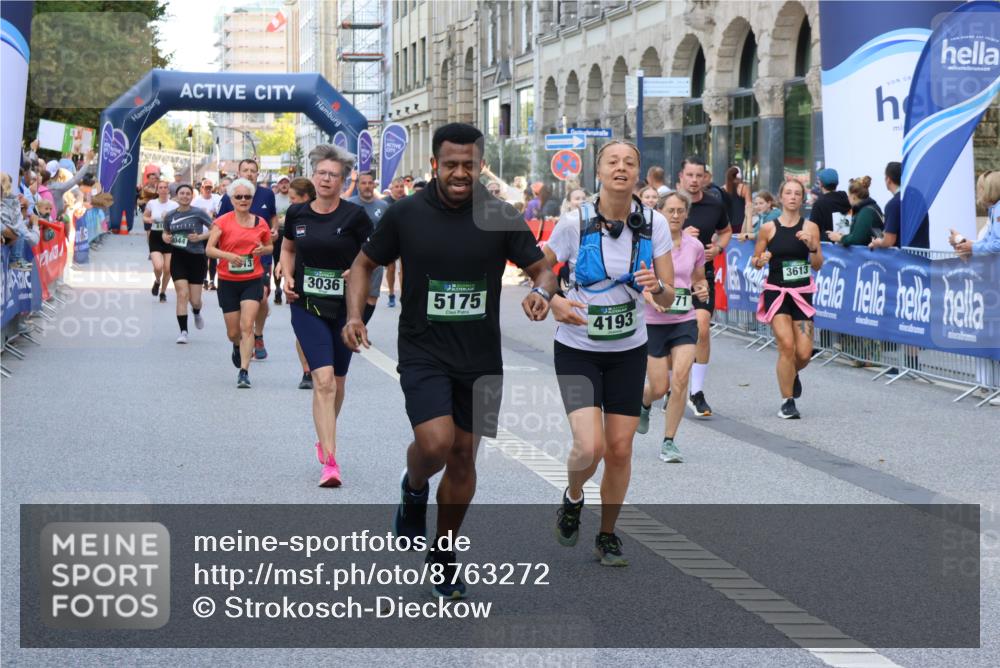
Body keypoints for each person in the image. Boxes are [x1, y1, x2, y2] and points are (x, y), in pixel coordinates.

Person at [341, 122, 557, 598]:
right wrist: (355, 315)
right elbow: (362, 265)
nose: (461, 173)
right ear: (435, 164)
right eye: (452, 164)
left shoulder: (501, 214)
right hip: (424, 350)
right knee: (436, 444)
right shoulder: (406, 213)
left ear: (481, 165)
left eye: (470, 165)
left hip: (481, 359)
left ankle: (443, 552)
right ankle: (414, 484)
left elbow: (542, 268)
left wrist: (542, 291)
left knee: (464, 458)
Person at [543, 140, 675, 567]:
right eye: (613, 162)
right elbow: (539, 270)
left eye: (630, 162)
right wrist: (552, 299)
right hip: (578, 348)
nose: (621, 168)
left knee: (619, 449)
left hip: (628, 349)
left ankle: (607, 535)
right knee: (589, 446)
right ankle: (574, 495)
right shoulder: (573, 222)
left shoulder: (653, 224)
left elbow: (670, 296)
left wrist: (657, 287)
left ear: (638, 173)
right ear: (598, 171)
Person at [280, 145, 372, 487]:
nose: (326, 179)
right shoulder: (297, 214)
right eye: (321, 173)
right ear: (314, 175)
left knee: (339, 383)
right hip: (306, 305)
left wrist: (357, 270)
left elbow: (373, 254)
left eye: (333, 175)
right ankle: (331, 462)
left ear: (343, 181)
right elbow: (288, 249)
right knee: (323, 380)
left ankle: (324, 434)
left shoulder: (354, 217)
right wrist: (287, 276)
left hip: (346, 310)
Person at [637, 191, 709, 462]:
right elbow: (640, 281)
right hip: (653, 323)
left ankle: (669, 441)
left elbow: (699, 280)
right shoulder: (647, 244)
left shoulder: (695, 246)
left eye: (681, 211)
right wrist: (651, 299)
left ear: (686, 214)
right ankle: (644, 403)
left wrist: (702, 291)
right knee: (658, 387)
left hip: (684, 320)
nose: (676, 216)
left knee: (679, 380)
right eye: (671, 211)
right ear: (660, 212)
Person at [752, 179, 823, 418]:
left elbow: (818, 265)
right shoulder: (768, 228)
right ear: (781, 197)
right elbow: (756, 259)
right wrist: (761, 260)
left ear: (802, 199)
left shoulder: (811, 227)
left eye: (797, 194)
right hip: (777, 292)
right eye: (788, 193)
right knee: (787, 345)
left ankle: (791, 373)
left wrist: (812, 247)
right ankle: (787, 402)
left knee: (804, 353)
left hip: (802, 294)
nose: (792, 197)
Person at [206, 178, 273, 388]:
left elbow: (270, 246)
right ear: (231, 199)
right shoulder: (222, 221)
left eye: (247, 197)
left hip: (252, 279)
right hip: (228, 281)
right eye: (239, 197)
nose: (243, 200)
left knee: (247, 326)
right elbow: (209, 249)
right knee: (233, 332)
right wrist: (228, 256)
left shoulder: (260, 222)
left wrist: (264, 250)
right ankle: (237, 346)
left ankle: (244, 371)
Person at [678, 156, 731, 417]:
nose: (694, 180)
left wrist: (718, 248)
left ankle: (696, 392)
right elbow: (651, 236)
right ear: (681, 177)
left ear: (705, 178)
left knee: (702, 328)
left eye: (699, 175)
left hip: (702, 276)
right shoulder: (670, 206)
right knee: (670, 335)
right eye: (690, 175)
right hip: (672, 278)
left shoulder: (714, 204)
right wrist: (679, 236)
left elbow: (727, 230)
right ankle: (671, 388)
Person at [218, 159, 278, 360]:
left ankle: (257, 334)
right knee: (236, 327)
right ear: (239, 172)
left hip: (260, 255)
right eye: (246, 170)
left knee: (262, 297)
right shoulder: (230, 196)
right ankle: (244, 337)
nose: (250, 173)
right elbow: (218, 226)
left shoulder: (267, 194)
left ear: (258, 174)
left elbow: (272, 217)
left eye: (253, 171)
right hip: (234, 260)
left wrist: (274, 230)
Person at [162, 184, 212, 344]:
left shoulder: (198, 213)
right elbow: (165, 232)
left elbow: (215, 229)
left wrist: (200, 237)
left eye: (188, 194)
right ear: (176, 196)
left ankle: (196, 312)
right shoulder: (170, 215)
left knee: (195, 300)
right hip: (178, 258)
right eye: (182, 193)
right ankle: (183, 331)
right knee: (182, 294)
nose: (184, 196)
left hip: (197, 258)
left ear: (192, 196)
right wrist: (166, 237)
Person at [347, 170, 389, 325]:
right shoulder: (350, 204)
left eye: (370, 183)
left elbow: (388, 232)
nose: (367, 186)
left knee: (372, 296)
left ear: (374, 185)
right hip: (352, 258)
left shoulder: (383, 206)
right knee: (353, 293)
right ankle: (351, 324)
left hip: (374, 259)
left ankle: (360, 326)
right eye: (363, 183)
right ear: (358, 185)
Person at [870, 161, 930, 250]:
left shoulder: (893, 204)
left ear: (888, 179)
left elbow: (889, 241)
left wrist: (877, 242)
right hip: (922, 258)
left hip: (904, 259)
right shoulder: (918, 196)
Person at [143, 180, 178, 303]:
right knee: (158, 266)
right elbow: (145, 217)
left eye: (165, 187)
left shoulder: (174, 205)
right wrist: (150, 220)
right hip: (156, 237)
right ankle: (157, 281)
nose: (163, 189)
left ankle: (163, 292)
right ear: (157, 190)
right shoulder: (152, 203)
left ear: (168, 190)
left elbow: (179, 219)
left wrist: (169, 218)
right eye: (160, 187)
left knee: (168, 269)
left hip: (169, 236)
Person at [951, 170, 1000, 258]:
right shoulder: (994, 210)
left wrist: (972, 247)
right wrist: (964, 243)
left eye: (981, 188)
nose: (978, 193)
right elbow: (987, 241)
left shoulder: (998, 210)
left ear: (991, 190)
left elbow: (998, 245)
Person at [828, 176, 882, 246]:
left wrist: (840, 238)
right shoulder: (871, 208)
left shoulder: (866, 212)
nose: (848, 198)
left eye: (848, 195)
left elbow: (858, 239)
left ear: (853, 196)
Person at [193, 179, 222, 290]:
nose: (208, 190)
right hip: (201, 233)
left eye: (210, 187)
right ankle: (204, 278)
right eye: (206, 188)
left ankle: (212, 281)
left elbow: (221, 213)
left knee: (213, 257)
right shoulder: (196, 201)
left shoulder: (217, 198)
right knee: (203, 257)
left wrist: (213, 214)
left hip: (213, 232)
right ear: (202, 189)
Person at [809, 168, 851, 242]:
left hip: (828, 250)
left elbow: (812, 231)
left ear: (821, 184)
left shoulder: (819, 204)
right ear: (837, 183)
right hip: (848, 247)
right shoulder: (848, 200)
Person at [272, 175, 292, 303]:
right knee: (277, 261)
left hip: (291, 233)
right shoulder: (273, 199)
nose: (284, 185)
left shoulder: (293, 198)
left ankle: (289, 288)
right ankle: (278, 288)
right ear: (278, 185)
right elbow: (271, 218)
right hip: (278, 233)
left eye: (286, 182)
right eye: (281, 183)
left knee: (290, 261)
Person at [723, 166, 753, 234]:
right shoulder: (743, 188)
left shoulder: (722, 189)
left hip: (726, 226)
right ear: (739, 176)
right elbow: (749, 207)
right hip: (741, 224)